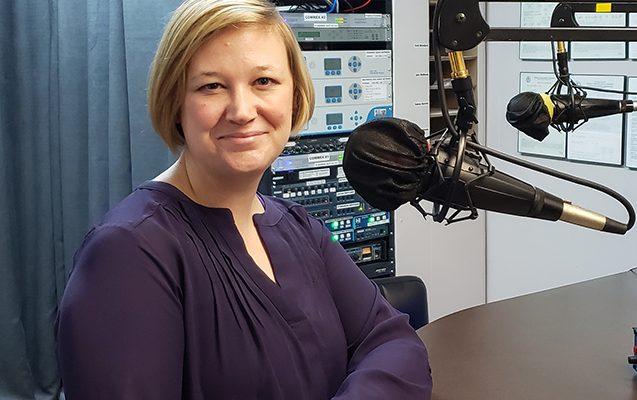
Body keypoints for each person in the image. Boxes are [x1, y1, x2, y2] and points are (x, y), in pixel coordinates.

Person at [55, 0, 432, 398]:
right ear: (176, 103)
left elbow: (392, 341)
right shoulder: (128, 252)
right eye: (212, 86)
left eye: (263, 81)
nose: (241, 111)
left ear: (295, 96)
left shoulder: (298, 227)